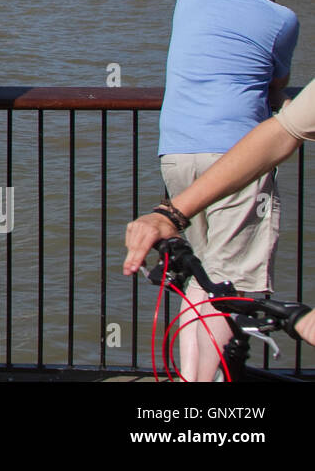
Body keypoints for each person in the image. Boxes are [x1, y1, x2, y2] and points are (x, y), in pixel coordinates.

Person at [153, 0, 297, 381]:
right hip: (238, 157)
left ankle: (191, 377)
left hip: (177, 153)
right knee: (232, 282)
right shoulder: (281, 18)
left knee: (200, 275)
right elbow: (275, 88)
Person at [124, 79, 315, 346]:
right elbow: (282, 132)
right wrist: (171, 214)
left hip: (179, 149)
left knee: (215, 282)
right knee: (220, 282)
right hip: (218, 147)